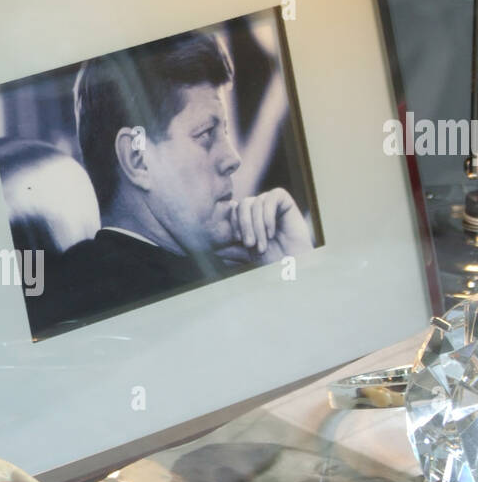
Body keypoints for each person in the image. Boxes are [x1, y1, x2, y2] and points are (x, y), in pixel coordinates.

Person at [32, 31, 313, 333]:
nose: (232, 158)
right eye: (206, 134)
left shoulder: (193, 273)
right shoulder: (112, 298)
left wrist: (287, 266)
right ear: (137, 159)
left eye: (226, 133)